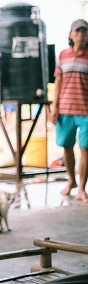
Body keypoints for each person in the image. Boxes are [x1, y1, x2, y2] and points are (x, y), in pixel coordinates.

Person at [49, 18, 88, 202]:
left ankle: (82, 188)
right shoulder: (63, 55)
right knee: (66, 146)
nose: (81, 35)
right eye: (77, 31)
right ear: (71, 35)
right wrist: (54, 107)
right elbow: (58, 82)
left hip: (86, 111)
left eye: (84, 31)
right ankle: (71, 181)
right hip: (65, 110)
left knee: (85, 149)